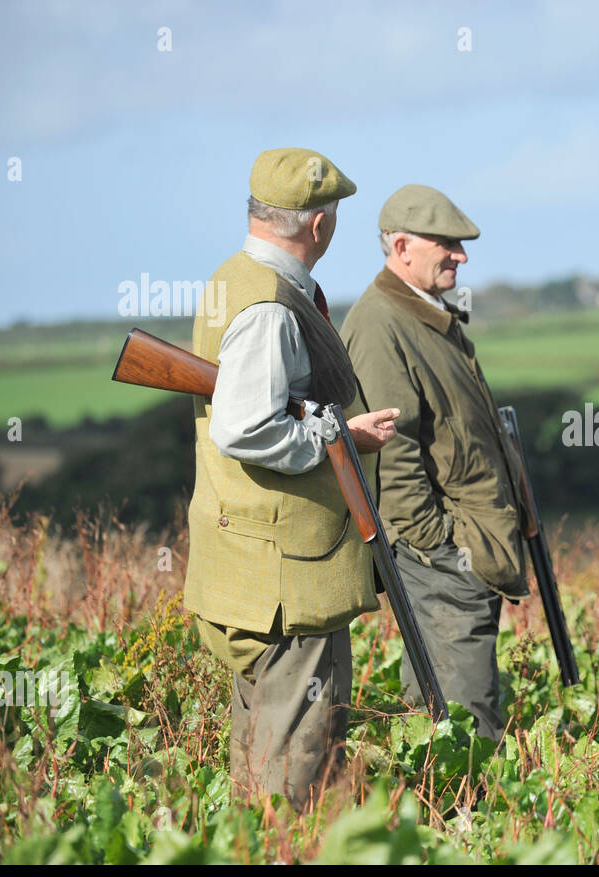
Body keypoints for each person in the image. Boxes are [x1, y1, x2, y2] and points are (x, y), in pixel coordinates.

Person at [183, 147, 401, 809]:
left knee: (263, 760)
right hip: (286, 581)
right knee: (297, 777)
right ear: (318, 225)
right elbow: (244, 427)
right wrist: (340, 436)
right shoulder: (271, 307)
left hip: (258, 571)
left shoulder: (236, 278)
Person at [341, 184, 529, 742]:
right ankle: (463, 819)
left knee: (436, 718)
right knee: (466, 725)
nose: (461, 256)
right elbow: (391, 450)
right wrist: (441, 544)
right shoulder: (380, 326)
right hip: (438, 556)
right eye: (446, 243)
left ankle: (434, 817)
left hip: (459, 550)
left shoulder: (426, 315)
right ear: (401, 247)